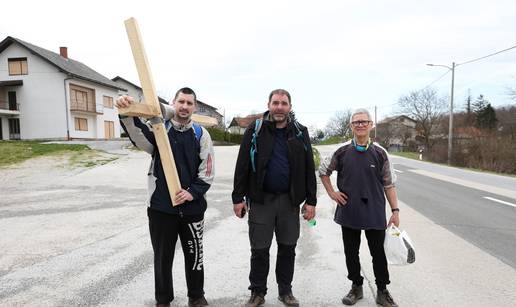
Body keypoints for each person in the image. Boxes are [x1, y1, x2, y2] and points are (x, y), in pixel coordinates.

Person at [116, 87, 214, 307]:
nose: (185, 106)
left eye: (189, 103)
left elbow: (207, 171)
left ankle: (196, 296)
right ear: (174, 103)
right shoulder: (160, 129)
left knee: (194, 256)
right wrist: (126, 111)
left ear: (194, 107)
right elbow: (138, 135)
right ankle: (163, 300)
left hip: (192, 209)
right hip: (161, 208)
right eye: (181, 102)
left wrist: (191, 193)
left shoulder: (201, 134)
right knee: (162, 258)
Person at [232, 89, 317, 307]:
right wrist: (237, 197)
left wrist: (311, 201)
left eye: (284, 103)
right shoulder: (255, 129)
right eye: (276, 103)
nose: (279, 107)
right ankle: (257, 292)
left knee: (287, 248)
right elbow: (242, 164)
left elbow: (309, 168)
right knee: (259, 249)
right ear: (269, 104)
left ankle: (285, 291)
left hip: (289, 202)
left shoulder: (300, 131)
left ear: (290, 106)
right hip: (261, 201)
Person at [318, 108, 400, 307]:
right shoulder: (342, 151)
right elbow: (323, 171)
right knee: (351, 252)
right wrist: (332, 193)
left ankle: (382, 291)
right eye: (356, 122)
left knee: (378, 253)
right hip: (350, 210)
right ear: (351, 126)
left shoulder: (381, 153)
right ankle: (356, 286)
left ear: (371, 125)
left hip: (374, 211)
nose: (360, 125)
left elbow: (389, 184)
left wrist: (395, 211)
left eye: (364, 122)